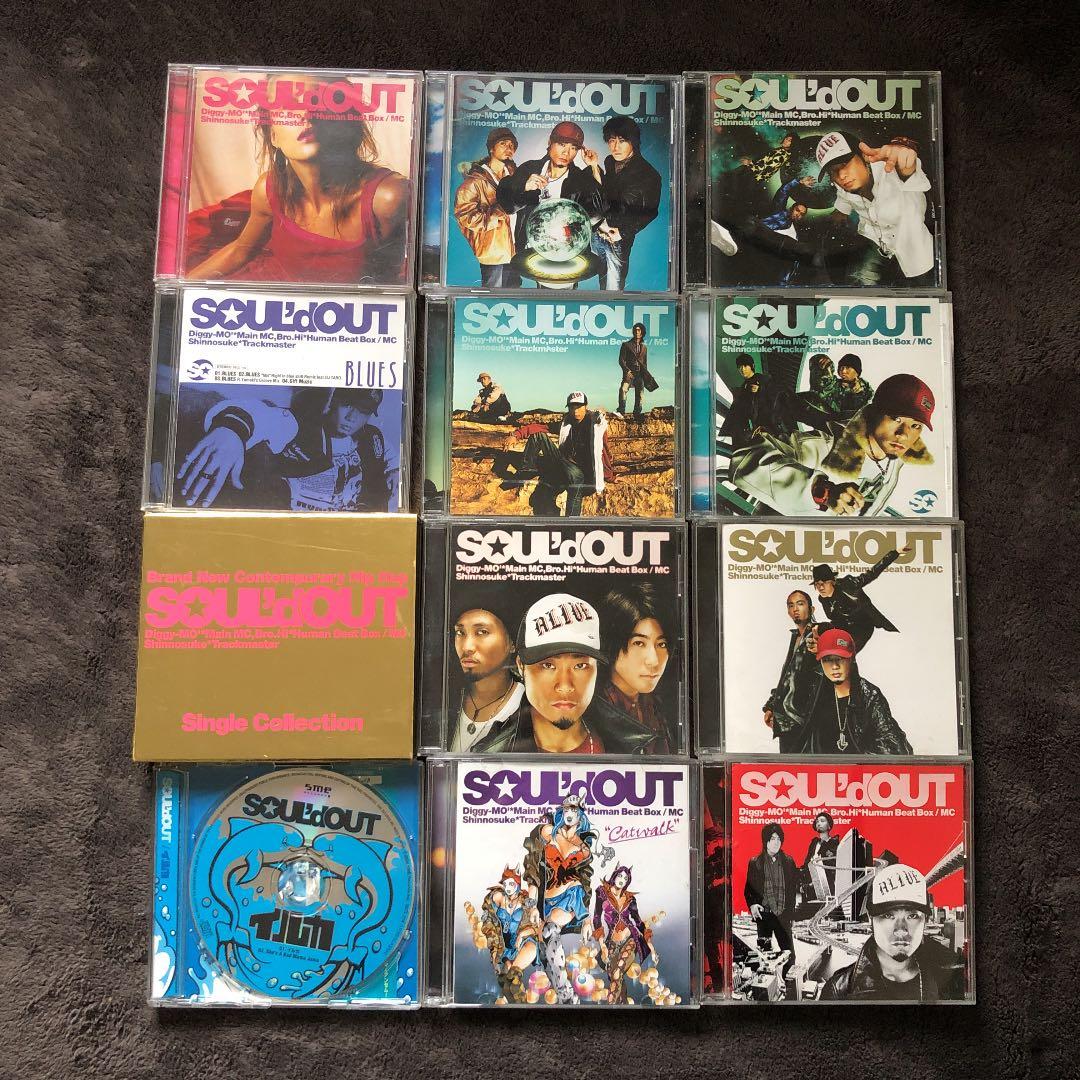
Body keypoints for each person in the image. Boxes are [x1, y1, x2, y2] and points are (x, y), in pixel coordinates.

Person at [188, 84, 410, 285]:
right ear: (273, 136)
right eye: (287, 106)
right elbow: (240, 250)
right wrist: (181, 287)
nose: (305, 114)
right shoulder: (269, 189)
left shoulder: (388, 197)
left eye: (318, 102)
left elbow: (396, 280)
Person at [472, 593, 658, 755]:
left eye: (580, 666)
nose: (565, 686)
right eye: (548, 665)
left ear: (596, 669)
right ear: (521, 666)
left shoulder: (636, 747)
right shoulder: (490, 757)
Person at [730, 373, 937, 516]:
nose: (904, 434)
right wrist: (822, 491)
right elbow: (746, 458)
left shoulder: (894, 461)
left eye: (916, 425)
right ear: (874, 412)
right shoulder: (822, 447)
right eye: (896, 418)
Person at [176, 387, 396, 510]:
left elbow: (393, 462)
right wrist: (232, 430)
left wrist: (396, 473)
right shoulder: (302, 428)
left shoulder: (372, 438)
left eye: (363, 411)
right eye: (348, 405)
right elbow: (261, 414)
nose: (352, 417)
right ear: (334, 401)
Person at [820, 864, 965, 1000]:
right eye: (888, 915)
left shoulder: (957, 977)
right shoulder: (838, 992)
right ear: (871, 919)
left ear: (925, 920)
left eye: (912, 916)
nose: (901, 930)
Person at [523, 794, 615, 1003]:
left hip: (570, 897)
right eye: (566, 810)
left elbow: (584, 882)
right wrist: (532, 904)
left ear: (580, 814)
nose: (569, 814)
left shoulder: (584, 847)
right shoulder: (547, 833)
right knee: (544, 949)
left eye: (574, 810)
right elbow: (532, 869)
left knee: (550, 930)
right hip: (544, 901)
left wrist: (586, 919)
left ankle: (565, 994)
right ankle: (564, 995)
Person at [816, 131, 936, 286]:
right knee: (857, 289)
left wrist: (904, 157)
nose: (841, 175)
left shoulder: (891, 169)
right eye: (833, 171)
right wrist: (837, 217)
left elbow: (909, 169)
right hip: (874, 242)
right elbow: (842, 199)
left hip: (912, 244)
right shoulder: (843, 188)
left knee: (924, 292)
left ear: (863, 156)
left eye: (844, 164)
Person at [496, 121, 606, 277]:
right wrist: (524, 187)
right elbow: (507, 205)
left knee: (564, 290)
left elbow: (597, 215)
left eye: (573, 148)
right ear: (550, 143)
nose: (566, 153)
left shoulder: (579, 179)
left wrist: (594, 166)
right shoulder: (530, 169)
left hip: (567, 252)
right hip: (531, 247)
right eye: (562, 145)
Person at [782, 628, 913, 754]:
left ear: (852, 659)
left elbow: (893, 746)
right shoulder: (815, 693)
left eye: (840, 658)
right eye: (827, 660)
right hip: (822, 768)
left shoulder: (869, 695)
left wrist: (858, 762)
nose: (834, 666)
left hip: (858, 769)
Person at [599, 584, 675, 753]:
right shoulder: (593, 712)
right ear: (611, 643)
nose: (653, 660)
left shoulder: (657, 704)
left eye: (661, 644)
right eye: (639, 643)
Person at [513, 391, 614, 517]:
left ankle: (572, 522)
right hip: (563, 463)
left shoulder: (595, 425)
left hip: (581, 472)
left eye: (579, 407)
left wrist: (609, 476)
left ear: (586, 406)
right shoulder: (566, 423)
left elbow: (603, 450)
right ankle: (527, 470)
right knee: (538, 436)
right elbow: (540, 427)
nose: (575, 411)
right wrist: (516, 435)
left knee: (575, 480)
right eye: (572, 407)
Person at [590, 116, 662, 290]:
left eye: (622, 141)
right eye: (611, 140)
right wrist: (593, 166)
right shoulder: (610, 162)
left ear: (633, 142)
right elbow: (605, 192)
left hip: (617, 239)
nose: (615, 147)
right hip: (598, 232)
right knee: (600, 280)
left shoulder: (648, 174)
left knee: (613, 288)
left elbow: (651, 212)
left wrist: (623, 233)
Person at [450, 606, 525, 752]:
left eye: (482, 632)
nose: (467, 647)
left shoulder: (531, 706)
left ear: (512, 643)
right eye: (460, 633)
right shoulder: (443, 699)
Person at [454, 127, 520, 287]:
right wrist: (501, 210)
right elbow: (465, 217)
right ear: (491, 148)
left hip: (516, 251)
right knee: (493, 297)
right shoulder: (474, 182)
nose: (509, 148)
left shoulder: (516, 177)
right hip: (493, 253)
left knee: (514, 295)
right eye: (503, 144)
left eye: (512, 145)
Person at [811, 547, 904, 652]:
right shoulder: (823, 599)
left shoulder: (849, 585)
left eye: (823, 583)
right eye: (817, 584)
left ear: (832, 582)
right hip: (844, 627)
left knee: (847, 648)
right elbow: (834, 620)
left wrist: (895, 553)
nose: (820, 587)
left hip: (862, 627)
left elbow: (872, 573)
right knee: (817, 630)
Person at [591, 866, 657, 1004]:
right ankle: (623, 1005)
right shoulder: (602, 892)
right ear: (614, 876)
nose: (622, 880)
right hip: (611, 942)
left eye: (625, 878)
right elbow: (597, 919)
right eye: (620, 876)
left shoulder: (630, 899)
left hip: (630, 939)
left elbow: (638, 922)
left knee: (617, 973)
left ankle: (609, 1007)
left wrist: (651, 947)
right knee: (614, 977)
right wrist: (603, 946)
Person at [762, 590, 819, 741]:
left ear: (812, 609)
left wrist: (822, 647)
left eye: (800, 604)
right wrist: (771, 707)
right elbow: (787, 677)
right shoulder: (796, 637)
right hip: (786, 722)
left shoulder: (820, 632)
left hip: (809, 722)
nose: (795, 609)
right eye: (791, 605)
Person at [744, 823, 799, 977]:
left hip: (783, 916)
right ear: (765, 841)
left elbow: (792, 892)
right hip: (764, 916)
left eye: (779, 839)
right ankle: (767, 987)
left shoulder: (789, 862)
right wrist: (753, 904)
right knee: (763, 957)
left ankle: (788, 985)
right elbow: (748, 889)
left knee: (790, 956)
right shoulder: (755, 862)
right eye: (772, 838)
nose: (776, 842)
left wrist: (791, 915)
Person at [809, 353, 874, 422]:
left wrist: (858, 393)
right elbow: (820, 385)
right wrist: (823, 362)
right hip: (828, 424)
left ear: (857, 372)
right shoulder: (833, 385)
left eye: (848, 367)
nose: (843, 371)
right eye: (841, 367)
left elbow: (861, 413)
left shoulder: (867, 391)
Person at [615, 323, 655, 419]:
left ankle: (637, 413)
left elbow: (644, 363)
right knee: (623, 389)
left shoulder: (644, 347)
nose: (637, 332)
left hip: (640, 374)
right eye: (635, 330)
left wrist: (646, 375)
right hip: (629, 373)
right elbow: (621, 360)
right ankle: (621, 411)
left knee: (640, 394)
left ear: (642, 332)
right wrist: (627, 371)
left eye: (639, 330)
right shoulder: (626, 345)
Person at [801, 812, 839, 898]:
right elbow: (807, 863)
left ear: (829, 826)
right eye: (817, 821)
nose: (818, 823)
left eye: (822, 821)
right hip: (811, 886)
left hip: (828, 887)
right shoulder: (814, 843)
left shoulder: (834, 844)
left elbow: (834, 866)